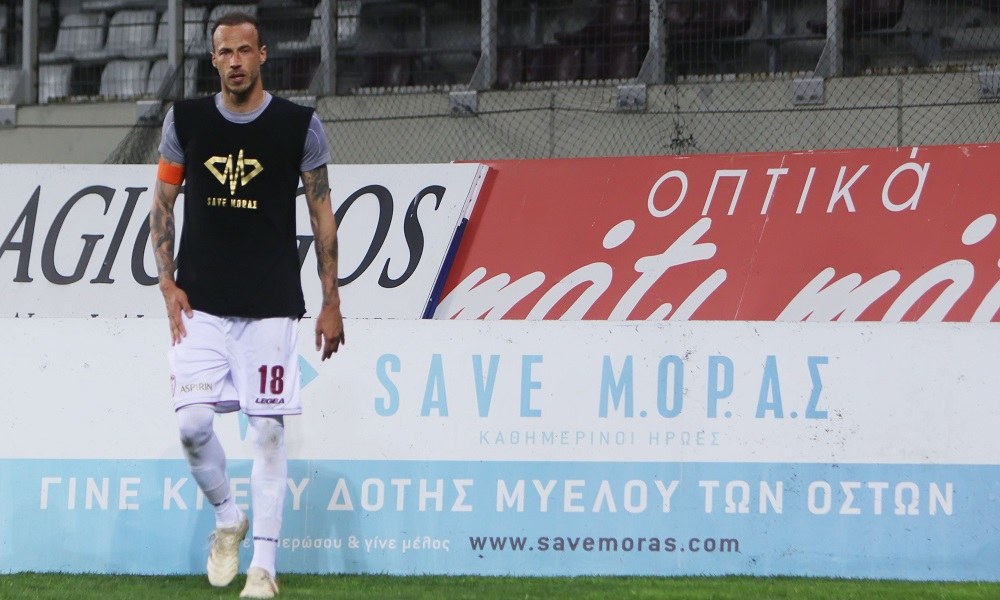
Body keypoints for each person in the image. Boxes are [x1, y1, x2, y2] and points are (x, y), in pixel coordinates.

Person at [148, 11, 345, 600]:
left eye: (244, 51)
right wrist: (166, 283)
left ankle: (264, 567)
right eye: (224, 52)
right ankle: (228, 518)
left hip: (270, 305)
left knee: (267, 433)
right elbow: (162, 204)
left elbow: (322, 214)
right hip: (200, 304)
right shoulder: (184, 121)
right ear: (213, 60)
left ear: (263, 56)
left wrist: (331, 301)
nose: (234, 61)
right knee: (192, 425)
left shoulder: (299, 125)